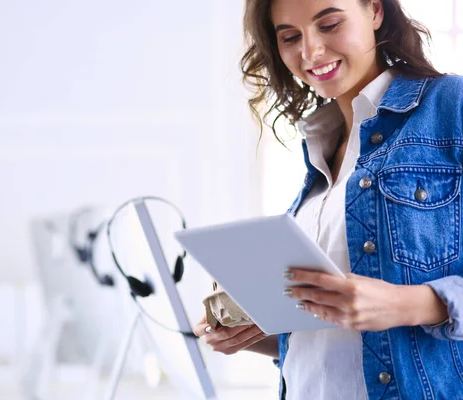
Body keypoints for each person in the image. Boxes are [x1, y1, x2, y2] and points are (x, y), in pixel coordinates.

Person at [192, 0, 463, 399]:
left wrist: (410, 304)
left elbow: (395, 317)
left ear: (374, 11)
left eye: (330, 24)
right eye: (290, 37)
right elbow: (337, 345)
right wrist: (262, 335)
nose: (310, 51)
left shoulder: (449, 107)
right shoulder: (321, 155)